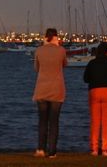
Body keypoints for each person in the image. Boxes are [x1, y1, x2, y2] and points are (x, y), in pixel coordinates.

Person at [32, 28, 67, 158]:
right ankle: (52, 151)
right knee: (54, 122)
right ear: (56, 37)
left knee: (42, 121)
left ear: (45, 38)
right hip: (57, 90)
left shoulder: (39, 50)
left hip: (41, 89)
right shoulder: (61, 50)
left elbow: (36, 68)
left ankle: (40, 149)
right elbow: (65, 64)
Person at [83, 42, 107, 156]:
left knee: (95, 122)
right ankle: (105, 148)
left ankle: (94, 149)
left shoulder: (91, 63)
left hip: (94, 92)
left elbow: (86, 79)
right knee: (106, 122)